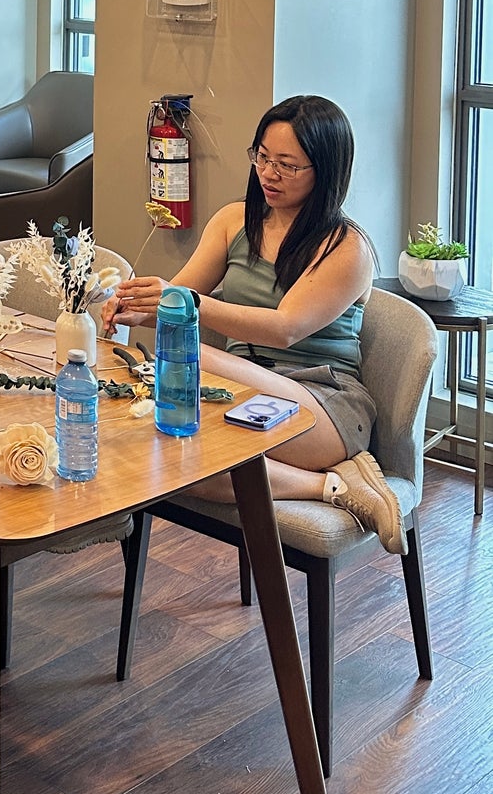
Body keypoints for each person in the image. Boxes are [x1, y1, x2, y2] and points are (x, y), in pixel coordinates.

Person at [110, 93, 404, 553]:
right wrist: (134, 305)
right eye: (262, 157)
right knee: (158, 455)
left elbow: (285, 328)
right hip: (238, 395)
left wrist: (184, 303)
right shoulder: (234, 221)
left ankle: (336, 467)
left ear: (326, 171)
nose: (268, 173)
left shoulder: (347, 247)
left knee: (188, 356)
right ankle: (333, 486)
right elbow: (178, 299)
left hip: (321, 406)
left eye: (287, 165)